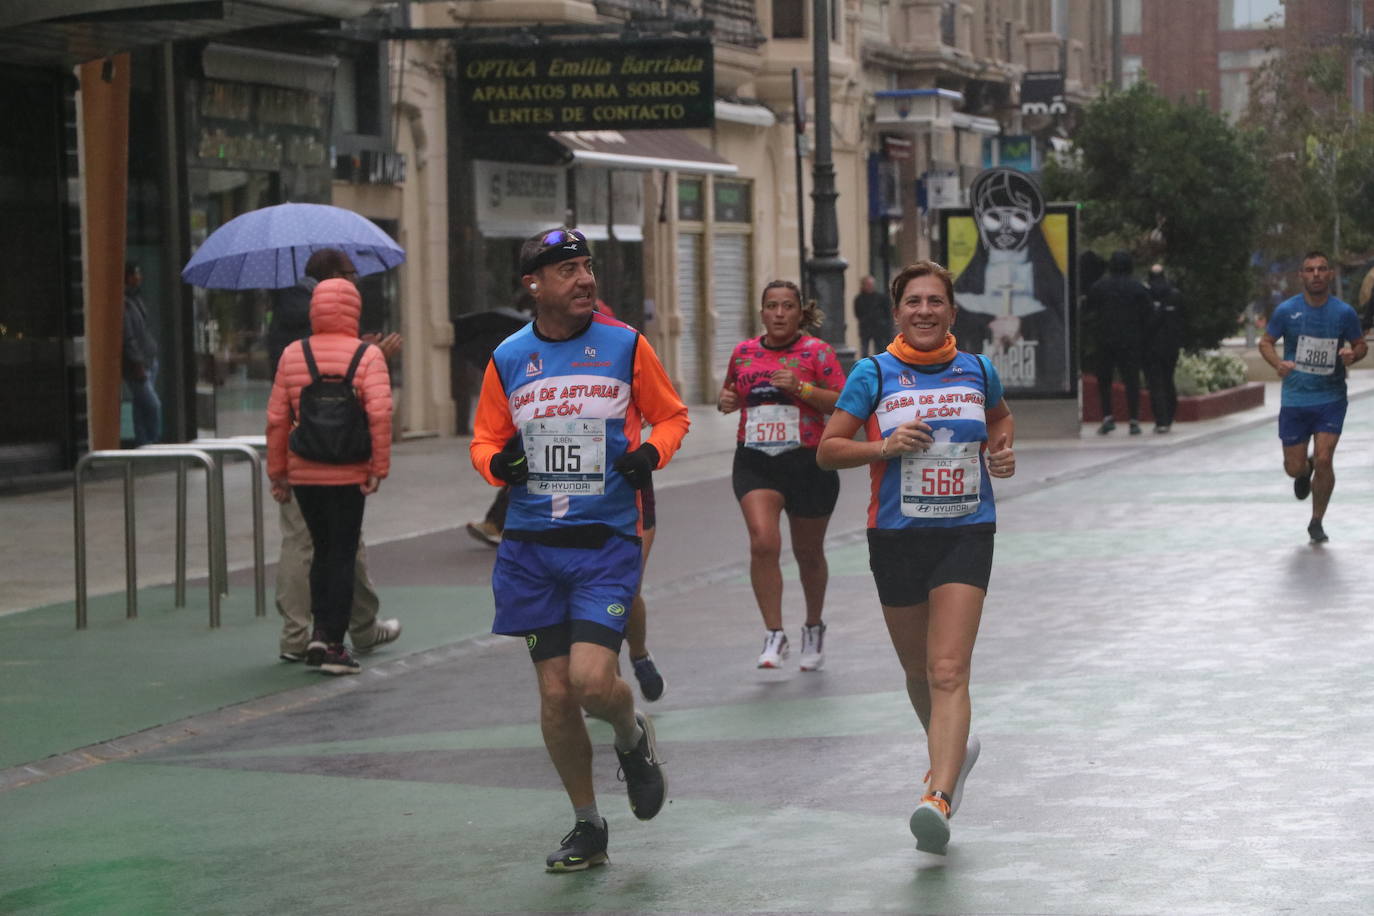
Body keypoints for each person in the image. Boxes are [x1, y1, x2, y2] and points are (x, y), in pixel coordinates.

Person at [469, 226, 689, 872]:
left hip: (604, 544)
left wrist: (653, 451)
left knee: (594, 683)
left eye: (588, 267)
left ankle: (631, 735)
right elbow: (484, 439)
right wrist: (498, 466)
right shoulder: (510, 357)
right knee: (557, 695)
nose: (585, 279)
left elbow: (672, 415)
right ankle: (588, 825)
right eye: (568, 270)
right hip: (531, 549)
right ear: (533, 285)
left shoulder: (624, 346)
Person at [817, 259, 1015, 856]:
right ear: (896, 312)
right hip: (897, 538)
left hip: (966, 531)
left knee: (948, 669)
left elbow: (1001, 420)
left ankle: (940, 795)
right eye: (913, 302)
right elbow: (828, 450)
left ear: (953, 312)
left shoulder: (979, 370)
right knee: (917, 671)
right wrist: (883, 444)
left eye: (936, 301)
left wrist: (1001, 452)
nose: (925, 310)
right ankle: (953, 751)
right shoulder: (873, 373)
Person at [271, 249, 403, 663]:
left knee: (318, 551)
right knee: (341, 555)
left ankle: (313, 635)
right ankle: (331, 642)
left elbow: (276, 419)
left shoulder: (293, 354)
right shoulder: (368, 357)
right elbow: (380, 414)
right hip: (347, 471)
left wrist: (278, 473)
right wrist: (378, 467)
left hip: (304, 470)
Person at [717, 280, 844, 670]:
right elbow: (730, 394)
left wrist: (803, 387)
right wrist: (728, 401)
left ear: (798, 312)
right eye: (772, 306)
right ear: (762, 312)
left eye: (787, 306)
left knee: (808, 552)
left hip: (808, 462)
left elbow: (843, 401)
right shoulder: (743, 353)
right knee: (763, 542)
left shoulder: (817, 352)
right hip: (757, 460)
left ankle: (813, 626)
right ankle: (774, 633)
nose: (779, 313)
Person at [1258, 250, 1367, 543]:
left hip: (1330, 398)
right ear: (1301, 276)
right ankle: (1302, 471)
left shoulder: (1343, 312)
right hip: (1295, 398)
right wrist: (1277, 363)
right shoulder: (1286, 311)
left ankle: (1317, 520)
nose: (1316, 274)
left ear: (1330, 274)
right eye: (1310, 270)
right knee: (1293, 468)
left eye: (1322, 269)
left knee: (1324, 458)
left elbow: (1361, 345)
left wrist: (1352, 354)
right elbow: (1266, 342)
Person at [1085, 250, 1150, 435]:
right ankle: (1134, 420)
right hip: (1130, 340)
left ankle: (1107, 417)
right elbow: (1148, 313)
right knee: (1131, 379)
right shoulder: (1138, 288)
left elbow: (1088, 311)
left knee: (1104, 380)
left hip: (1105, 339)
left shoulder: (1099, 287)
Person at [122, 263, 162, 446]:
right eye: (136, 274)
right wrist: (137, 362)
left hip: (148, 359)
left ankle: (142, 443)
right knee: (153, 405)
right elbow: (128, 337)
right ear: (128, 277)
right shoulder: (124, 304)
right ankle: (151, 440)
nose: (139, 278)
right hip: (138, 365)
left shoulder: (135, 299)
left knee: (140, 406)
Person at [1144, 264, 1183, 433]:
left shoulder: (1145, 295)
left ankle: (1160, 420)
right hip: (1171, 346)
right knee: (1168, 379)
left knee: (1155, 383)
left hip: (1151, 345)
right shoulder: (1175, 295)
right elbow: (1184, 320)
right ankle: (1169, 416)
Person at [854, 274, 892, 358]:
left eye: (871, 284)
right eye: (868, 284)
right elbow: (857, 313)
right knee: (864, 349)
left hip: (878, 327)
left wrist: (884, 323)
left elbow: (887, 311)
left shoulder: (880, 297)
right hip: (865, 327)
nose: (870, 286)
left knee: (880, 348)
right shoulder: (859, 299)